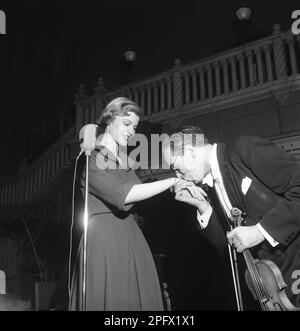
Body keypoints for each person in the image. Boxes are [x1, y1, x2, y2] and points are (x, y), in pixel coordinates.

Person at [69, 97, 193, 311]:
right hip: (104, 242)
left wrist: (177, 186)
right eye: (126, 124)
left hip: (130, 238)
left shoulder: (123, 160)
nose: (131, 131)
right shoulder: (90, 158)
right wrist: (172, 180)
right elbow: (124, 196)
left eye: (134, 126)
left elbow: (140, 195)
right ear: (108, 120)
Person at [162, 126, 300, 309]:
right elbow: (227, 248)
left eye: (176, 168)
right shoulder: (211, 185)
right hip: (273, 287)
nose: (178, 176)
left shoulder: (243, 149)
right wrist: (202, 206)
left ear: (190, 151)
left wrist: (261, 231)